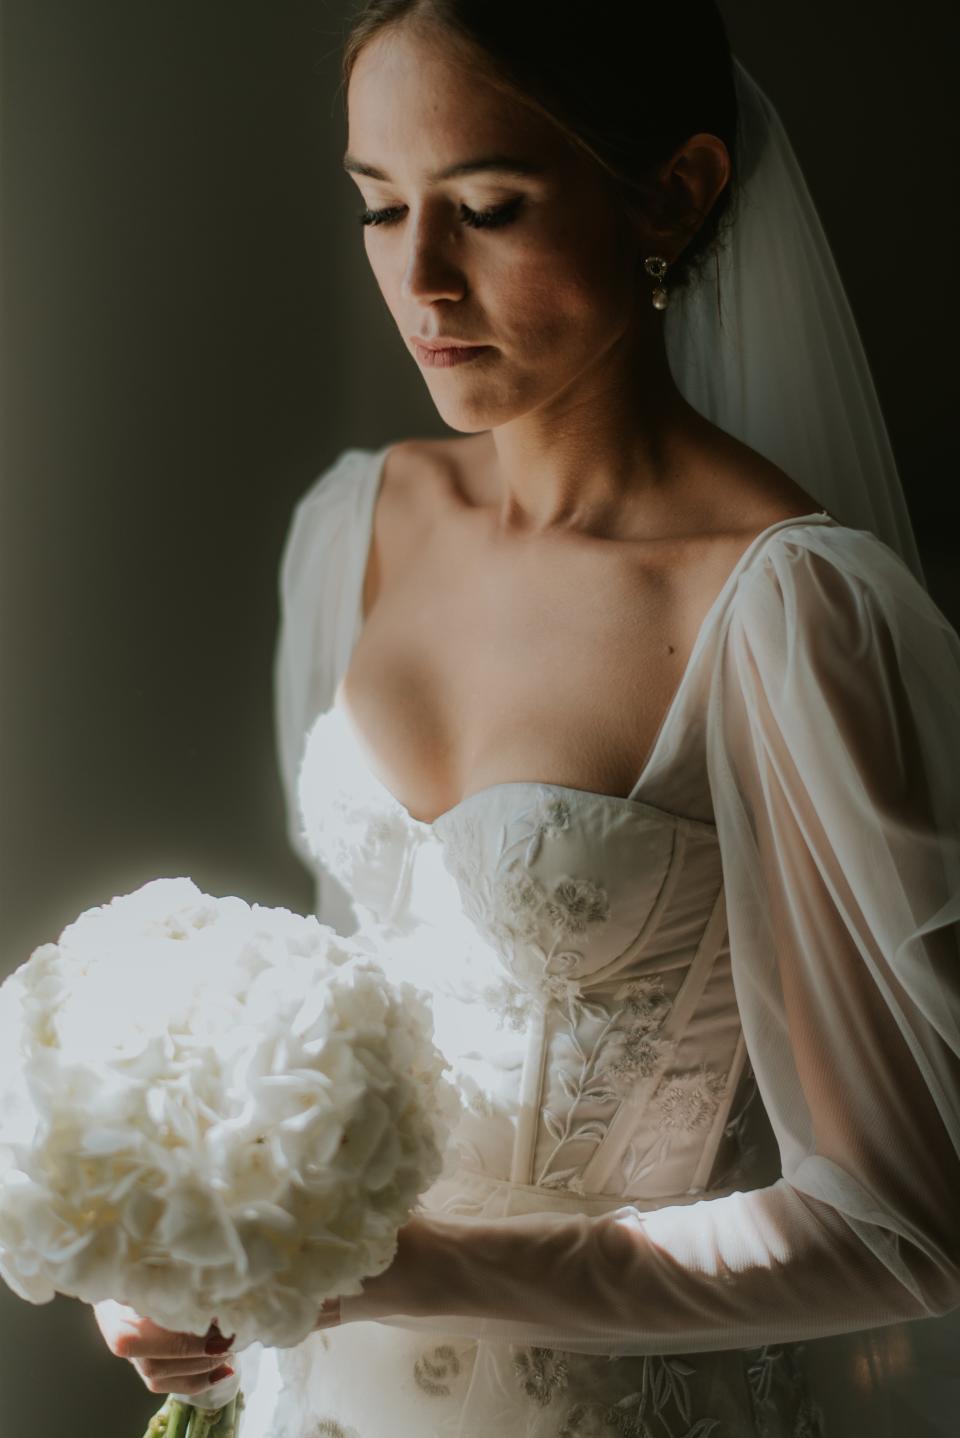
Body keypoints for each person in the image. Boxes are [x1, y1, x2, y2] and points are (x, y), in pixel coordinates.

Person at [95, 3, 960, 1434]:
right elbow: (339, 1027)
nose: (420, 277)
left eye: (486, 207)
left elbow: (903, 1224)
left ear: (672, 193)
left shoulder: (784, 613)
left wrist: (396, 1267)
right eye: (379, 208)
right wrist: (199, 1249)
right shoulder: (352, 528)